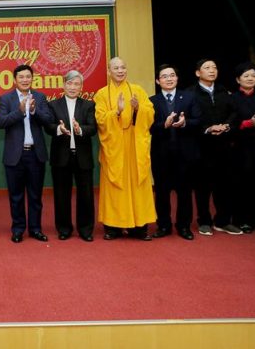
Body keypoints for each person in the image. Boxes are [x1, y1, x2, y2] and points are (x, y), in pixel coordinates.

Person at [93, 57, 156, 240]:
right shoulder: (102, 94)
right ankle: (113, 227)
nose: (120, 71)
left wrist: (138, 109)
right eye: (116, 68)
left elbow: (150, 114)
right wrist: (117, 112)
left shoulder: (137, 90)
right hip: (115, 147)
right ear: (109, 71)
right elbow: (100, 119)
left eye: (123, 67)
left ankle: (139, 227)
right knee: (115, 187)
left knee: (138, 184)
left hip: (135, 145)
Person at [0, 64, 51, 243]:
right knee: (16, 196)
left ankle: (35, 229)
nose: (25, 80)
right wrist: (20, 111)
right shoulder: (6, 99)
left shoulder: (40, 97)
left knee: (35, 196)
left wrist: (34, 111)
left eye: (28, 77)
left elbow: (48, 119)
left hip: (35, 154)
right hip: (14, 156)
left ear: (32, 78)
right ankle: (18, 229)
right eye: (21, 77)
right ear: (15, 80)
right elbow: (1, 122)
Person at [188, 59, 241, 235]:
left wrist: (226, 126)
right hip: (201, 146)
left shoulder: (223, 91)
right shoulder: (190, 93)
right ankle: (204, 221)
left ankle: (223, 221)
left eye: (214, 67)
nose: (212, 70)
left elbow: (234, 112)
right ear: (198, 73)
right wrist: (208, 128)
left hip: (223, 145)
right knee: (203, 186)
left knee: (224, 185)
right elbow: (190, 118)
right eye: (207, 68)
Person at [149, 64, 201, 240]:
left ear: (177, 78)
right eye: (164, 76)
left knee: (184, 192)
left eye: (172, 75)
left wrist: (185, 123)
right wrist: (163, 125)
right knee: (161, 192)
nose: (169, 79)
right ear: (158, 81)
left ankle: (184, 226)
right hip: (161, 154)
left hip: (184, 154)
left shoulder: (189, 97)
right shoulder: (151, 101)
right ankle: (163, 225)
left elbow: (199, 120)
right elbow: (148, 127)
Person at [46, 70, 96, 242]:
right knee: (61, 195)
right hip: (61, 156)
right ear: (64, 85)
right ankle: (64, 228)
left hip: (83, 156)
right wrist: (59, 129)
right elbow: (48, 126)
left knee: (86, 195)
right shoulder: (53, 105)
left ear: (81, 87)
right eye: (70, 83)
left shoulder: (89, 105)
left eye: (76, 84)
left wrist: (79, 129)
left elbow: (93, 128)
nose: (73, 87)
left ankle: (85, 229)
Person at [230, 61, 255, 233]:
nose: (250, 78)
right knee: (242, 182)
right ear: (238, 79)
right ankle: (242, 220)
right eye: (246, 75)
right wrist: (247, 123)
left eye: (253, 75)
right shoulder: (232, 99)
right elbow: (229, 124)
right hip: (240, 146)